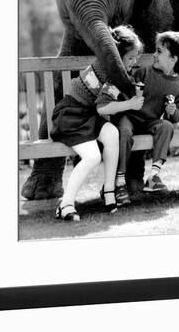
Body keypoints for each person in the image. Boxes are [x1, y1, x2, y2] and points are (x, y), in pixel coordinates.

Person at [51, 25, 144, 221]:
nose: (134, 62)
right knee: (92, 157)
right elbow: (103, 108)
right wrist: (130, 104)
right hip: (72, 115)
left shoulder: (111, 68)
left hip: (89, 115)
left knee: (112, 134)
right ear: (117, 56)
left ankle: (109, 191)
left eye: (136, 57)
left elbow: (99, 107)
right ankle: (65, 204)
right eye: (130, 58)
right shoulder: (111, 72)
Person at [114, 31, 179, 204]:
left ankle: (154, 176)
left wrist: (172, 112)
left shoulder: (178, 87)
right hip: (131, 117)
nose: (154, 55)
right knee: (123, 132)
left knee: (166, 126)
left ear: (173, 59)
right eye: (155, 51)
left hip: (150, 122)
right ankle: (119, 181)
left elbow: (177, 116)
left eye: (159, 52)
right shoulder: (144, 72)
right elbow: (125, 92)